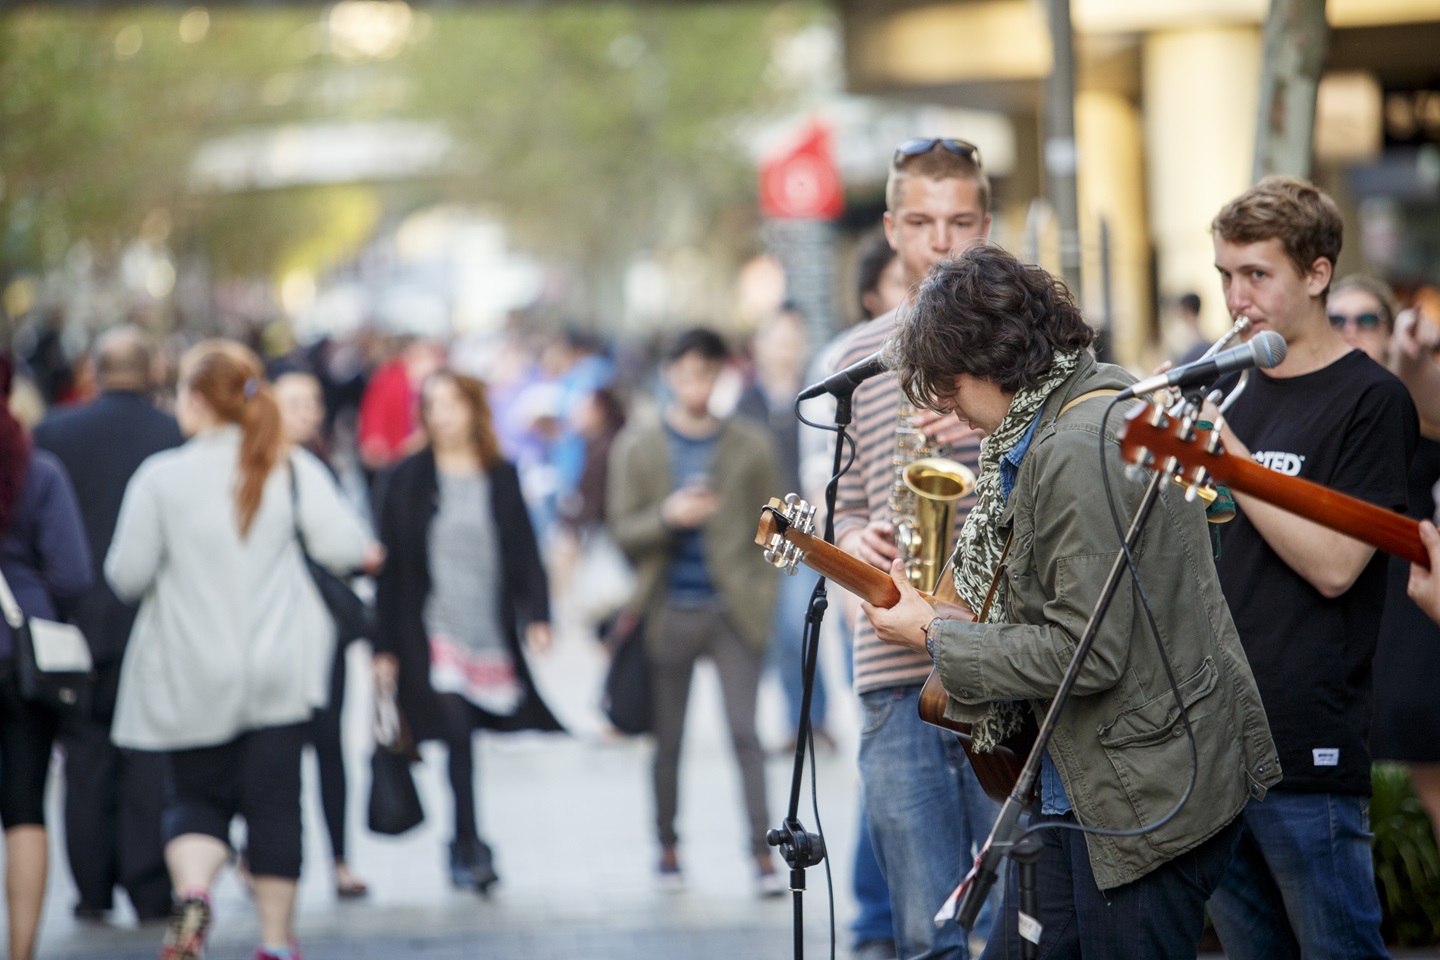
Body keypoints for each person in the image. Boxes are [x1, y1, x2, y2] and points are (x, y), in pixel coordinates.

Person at [865, 244, 1281, 958]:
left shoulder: (1075, 446)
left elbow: (1084, 654)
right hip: (1095, 785)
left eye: (951, 388)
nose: (952, 413)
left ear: (991, 362)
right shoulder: (1096, 397)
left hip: (1139, 799)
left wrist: (935, 633)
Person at [1203, 178, 1417, 960]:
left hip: (1306, 742)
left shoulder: (1369, 399)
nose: (1236, 295)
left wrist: (1233, 460)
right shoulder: (1227, 388)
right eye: (1226, 274)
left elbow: (1335, 567)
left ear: (1318, 274)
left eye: (1257, 274)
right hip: (1215, 746)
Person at [105, 341, 375, 960]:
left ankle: (195, 893)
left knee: (195, 801)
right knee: (277, 810)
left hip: (188, 675)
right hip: (279, 675)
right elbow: (345, 547)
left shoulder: (161, 478)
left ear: (197, 400)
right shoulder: (288, 467)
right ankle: (276, 944)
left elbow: (127, 575)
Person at [830, 137, 997, 959]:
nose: (942, 242)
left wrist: (984, 418)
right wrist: (848, 537)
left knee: (1017, 927)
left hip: (1008, 671)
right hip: (895, 672)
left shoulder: (1030, 354)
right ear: (892, 229)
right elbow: (844, 510)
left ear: (986, 226)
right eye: (923, 222)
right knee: (923, 936)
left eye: (961, 221)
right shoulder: (852, 363)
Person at [606, 327, 785, 896]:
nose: (697, 385)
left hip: (734, 610)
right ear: (668, 377)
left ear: (720, 376)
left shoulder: (750, 444)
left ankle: (762, 854)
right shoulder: (638, 445)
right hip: (667, 611)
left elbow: (778, 524)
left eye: (707, 373)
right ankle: (667, 848)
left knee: (744, 733)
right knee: (668, 738)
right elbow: (621, 531)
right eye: (685, 374)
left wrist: (764, 589)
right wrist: (669, 516)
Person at [371, 370, 562, 895]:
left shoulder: (499, 473)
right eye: (432, 405)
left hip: (488, 630)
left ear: (474, 408)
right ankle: (467, 843)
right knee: (455, 730)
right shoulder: (406, 476)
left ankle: (466, 843)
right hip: (429, 630)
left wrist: (539, 617)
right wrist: (383, 647)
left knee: (468, 734)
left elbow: (525, 551)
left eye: (453, 403)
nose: (442, 414)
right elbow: (388, 570)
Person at [32, 326, 182, 924]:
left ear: (94, 370)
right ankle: (149, 889)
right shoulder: (174, 435)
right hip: (153, 622)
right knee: (149, 760)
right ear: (152, 372)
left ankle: (91, 889)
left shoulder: (55, 434)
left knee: (85, 759)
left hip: (75, 625)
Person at [1322, 275, 1440, 860]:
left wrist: (1414, 353)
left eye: (1367, 319)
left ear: (1390, 330)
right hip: (1349, 619)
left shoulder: (1403, 389)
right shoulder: (1320, 401)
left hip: (1416, 607)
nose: (1350, 331)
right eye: (1337, 320)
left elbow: (1426, 398)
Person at [0, 347, 92, 960]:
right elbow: (73, 575)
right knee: (25, 808)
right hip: (19, 659)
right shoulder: (38, 469)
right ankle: (23, 951)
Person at [270, 367, 370, 900]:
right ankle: (282, 863)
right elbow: (347, 545)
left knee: (325, 743)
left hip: (314, 628)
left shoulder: (316, 465)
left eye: (313, 401)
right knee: (284, 747)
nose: (308, 412)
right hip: (281, 629)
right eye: (294, 402)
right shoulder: (292, 468)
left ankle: (331, 857)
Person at [736, 304, 833, 752]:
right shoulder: (742, 404)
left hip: (805, 533)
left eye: (794, 341)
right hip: (760, 534)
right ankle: (803, 721)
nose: (786, 350)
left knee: (798, 623)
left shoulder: (817, 399)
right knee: (778, 633)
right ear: (759, 347)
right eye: (778, 340)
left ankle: (813, 718)